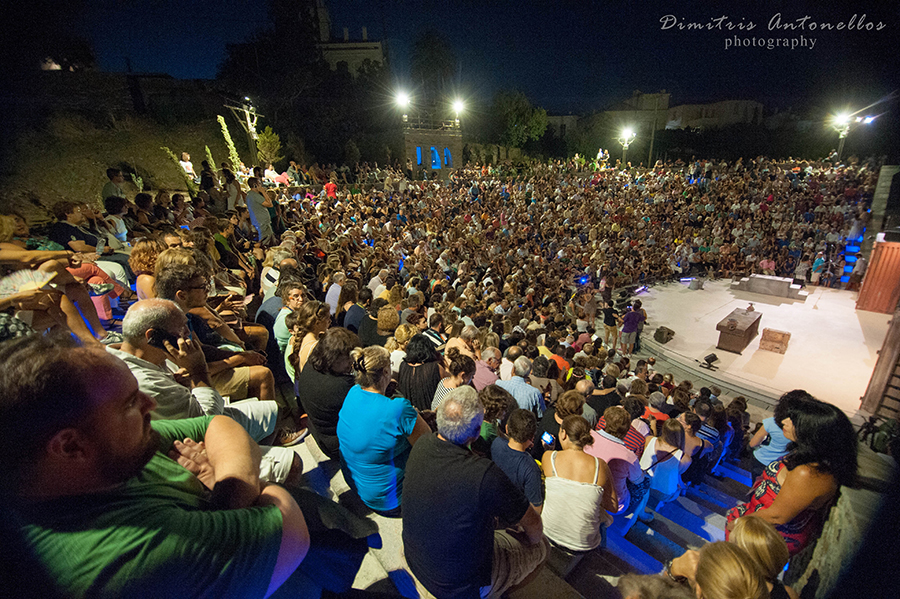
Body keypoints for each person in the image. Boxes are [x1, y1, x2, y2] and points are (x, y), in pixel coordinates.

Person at [0, 334, 320, 597]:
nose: (150, 403)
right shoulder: (127, 558)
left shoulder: (112, 448)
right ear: (70, 445)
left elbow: (217, 426)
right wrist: (230, 484)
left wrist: (227, 491)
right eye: (129, 402)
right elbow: (290, 526)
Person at [402, 386, 548, 599]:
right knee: (543, 548)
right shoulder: (485, 474)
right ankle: (494, 592)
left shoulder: (423, 442)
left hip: (416, 560)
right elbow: (534, 526)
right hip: (457, 587)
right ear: (476, 431)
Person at [726, 395, 858, 556]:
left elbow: (776, 516)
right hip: (757, 520)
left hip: (764, 535)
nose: (785, 421)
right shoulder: (807, 457)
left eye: (794, 420)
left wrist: (737, 523)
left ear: (811, 431)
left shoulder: (808, 473)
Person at [336, 345, 430, 515]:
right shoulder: (397, 409)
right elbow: (428, 445)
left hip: (359, 484)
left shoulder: (353, 392)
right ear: (386, 372)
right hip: (390, 499)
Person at [541, 415, 617, 552]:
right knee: (604, 516)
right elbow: (613, 507)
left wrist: (550, 449)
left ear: (563, 434)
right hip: (583, 545)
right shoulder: (600, 466)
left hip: (547, 532)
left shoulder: (548, 457)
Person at [296, 327, 358, 460]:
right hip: (337, 445)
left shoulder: (311, 364)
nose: (351, 362)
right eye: (348, 358)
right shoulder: (341, 386)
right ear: (334, 358)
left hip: (318, 432)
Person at [584, 406, 645, 517]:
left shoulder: (588, 436)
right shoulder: (629, 456)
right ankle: (641, 515)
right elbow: (637, 480)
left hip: (584, 487)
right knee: (645, 483)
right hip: (611, 504)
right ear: (627, 430)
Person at [491, 408, 544, 514]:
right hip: (516, 516)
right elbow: (536, 508)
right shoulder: (531, 468)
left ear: (507, 429)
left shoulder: (496, 443)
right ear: (532, 437)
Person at [748, 390, 804, 481]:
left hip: (760, 460)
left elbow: (753, 443)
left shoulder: (771, 422)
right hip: (780, 467)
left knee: (755, 487)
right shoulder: (802, 430)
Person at [397, 333, 444, 412]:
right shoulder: (434, 367)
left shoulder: (403, 365)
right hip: (430, 414)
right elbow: (448, 383)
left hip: (408, 413)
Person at [245, 177, 275, 245]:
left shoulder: (249, 195)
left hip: (260, 222)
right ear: (255, 185)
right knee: (264, 242)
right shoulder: (254, 195)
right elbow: (270, 204)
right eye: (259, 183)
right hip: (261, 223)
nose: (261, 185)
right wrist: (263, 192)